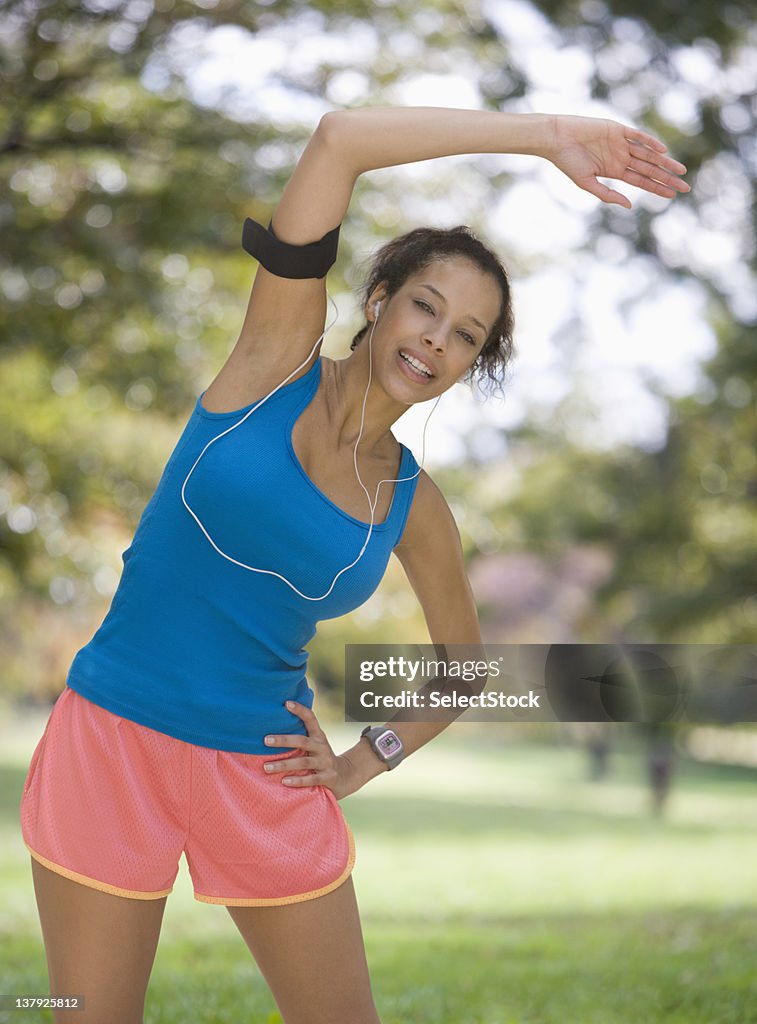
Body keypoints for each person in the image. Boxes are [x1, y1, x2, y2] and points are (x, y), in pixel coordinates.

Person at [19, 106, 690, 1024]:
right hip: (112, 743)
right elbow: (338, 139)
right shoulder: (270, 362)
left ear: (471, 365)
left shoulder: (417, 506)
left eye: (466, 335)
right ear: (379, 300)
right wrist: (543, 137)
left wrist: (365, 758)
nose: (436, 341)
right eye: (426, 306)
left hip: (264, 770)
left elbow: (464, 671)